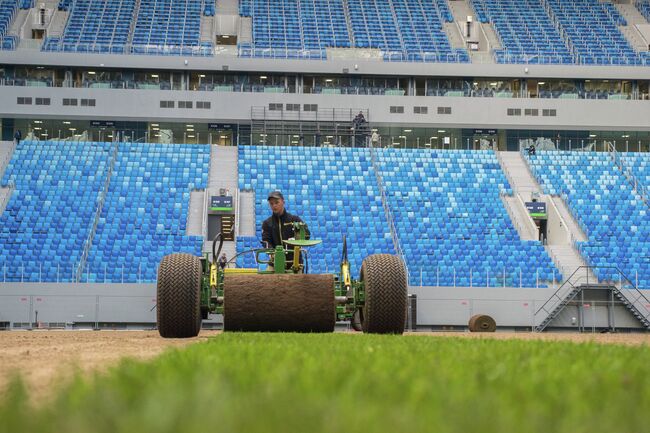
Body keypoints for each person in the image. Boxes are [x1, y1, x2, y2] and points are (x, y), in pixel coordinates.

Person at [261, 191, 310, 269]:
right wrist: (272, 253)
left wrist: (297, 239)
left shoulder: (295, 219)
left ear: (283, 202)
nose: (274, 205)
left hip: (295, 263)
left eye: (277, 202)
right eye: (271, 204)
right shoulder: (267, 223)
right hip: (275, 263)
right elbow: (266, 242)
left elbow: (307, 235)